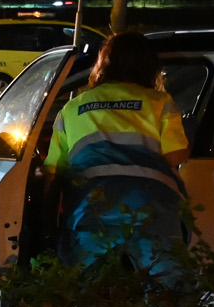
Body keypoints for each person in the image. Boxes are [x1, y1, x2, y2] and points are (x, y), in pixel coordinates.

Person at [41, 32, 190, 278]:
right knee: (168, 285)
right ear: (148, 65)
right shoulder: (159, 101)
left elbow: (53, 172)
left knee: (84, 284)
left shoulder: (72, 108)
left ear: (103, 65)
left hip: (91, 209)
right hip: (150, 206)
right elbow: (177, 153)